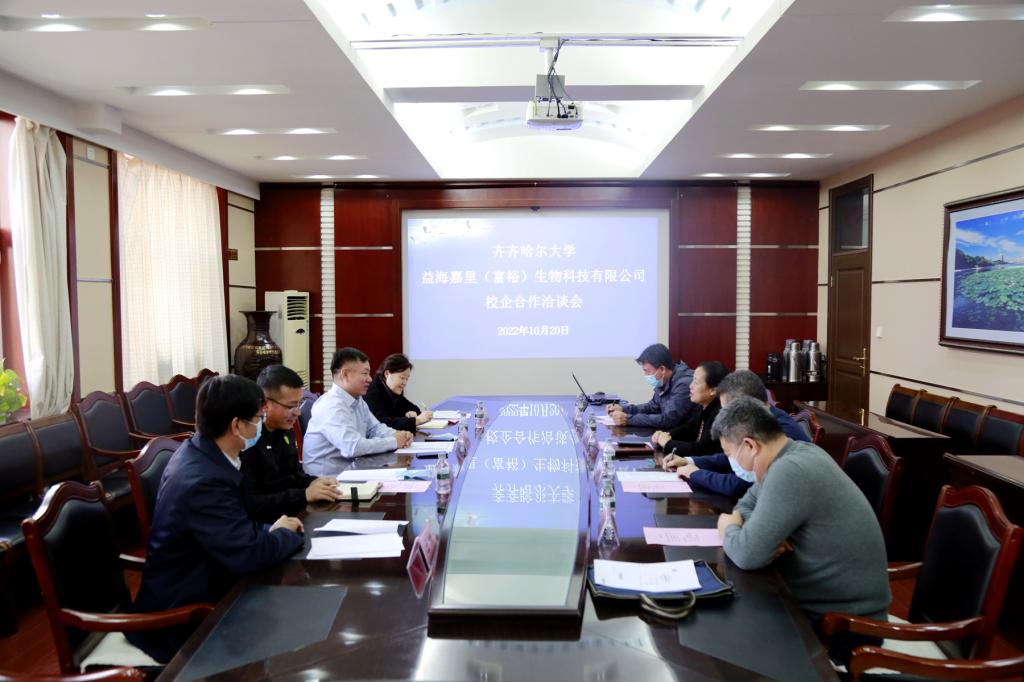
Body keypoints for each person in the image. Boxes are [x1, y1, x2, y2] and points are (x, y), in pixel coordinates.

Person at [128, 374, 305, 663]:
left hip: (214, 579)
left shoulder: (206, 454)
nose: (260, 426)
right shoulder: (203, 481)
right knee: (295, 635)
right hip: (186, 617)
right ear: (236, 426)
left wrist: (271, 529)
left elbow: (236, 527)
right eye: (257, 419)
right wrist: (286, 534)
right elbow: (247, 554)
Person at [713, 397, 890, 638]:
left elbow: (747, 554)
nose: (732, 462)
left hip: (845, 626)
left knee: (728, 630)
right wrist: (754, 528)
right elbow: (746, 502)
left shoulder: (789, 470)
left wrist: (728, 527)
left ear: (750, 445)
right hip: (823, 605)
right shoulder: (796, 453)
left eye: (730, 454)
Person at [663, 370, 811, 499]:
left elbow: (742, 485)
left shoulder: (778, 435)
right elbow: (733, 458)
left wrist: (696, 474)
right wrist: (689, 461)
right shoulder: (760, 420)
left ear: (746, 406)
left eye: (727, 410)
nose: (725, 417)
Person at [240, 365, 340, 523]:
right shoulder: (248, 438)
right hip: (270, 523)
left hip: (294, 513)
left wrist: (316, 482)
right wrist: (304, 494)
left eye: (299, 404)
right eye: (291, 406)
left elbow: (296, 475)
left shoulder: (284, 429)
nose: (298, 412)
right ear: (266, 404)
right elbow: (252, 502)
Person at [303, 347, 414, 476]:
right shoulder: (331, 406)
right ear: (345, 374)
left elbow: (374, 429)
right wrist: (394, 441)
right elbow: (353, 447)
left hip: (353, 471)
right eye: (365, 373)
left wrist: (399, 435)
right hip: (329, 480)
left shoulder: (357, 399)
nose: (370, 379)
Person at [606, 343, 698, 429]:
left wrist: (628, 419)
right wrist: (624, 409)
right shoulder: (663, 380)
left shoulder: (684, 384)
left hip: (685, 437)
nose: (646, 375)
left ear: (662, 369)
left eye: (647, 371)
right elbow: (652, 407)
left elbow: (668, 419)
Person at [651, 360, 728, 457]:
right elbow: (688, 429)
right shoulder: (702, 406)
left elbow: (701, 450)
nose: (690, 386)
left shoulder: (720, 415)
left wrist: (667, 444)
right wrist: (665, 434)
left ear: (713, 390)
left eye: (696, 382)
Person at [364, 353, 434, 432]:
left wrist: (412, 413)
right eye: (402, 377)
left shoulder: (392, 391)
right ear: (387, 374)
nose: (405, 383)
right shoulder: (371, 393)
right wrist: (415, 420)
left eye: (407, 379)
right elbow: (382, 424)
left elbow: (414, 409)